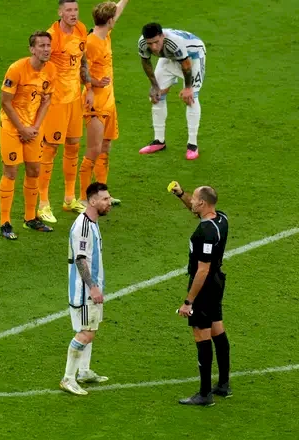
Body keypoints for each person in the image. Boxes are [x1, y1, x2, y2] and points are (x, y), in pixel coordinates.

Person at [170, 182, 231, 406]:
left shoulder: (204, 232)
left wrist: (189, 301)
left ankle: (205, 394)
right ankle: (224, 385)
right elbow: (198, 212)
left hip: (203, 285)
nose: (192, 201)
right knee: (217, 328)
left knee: (201, 335)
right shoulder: (221, 218)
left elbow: (202, 270)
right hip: (217, 281)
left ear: (203, 203)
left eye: (194, 198)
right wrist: (180, 195)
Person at [36, 0, 95, 224]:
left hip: (75, 99)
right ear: (60, 12)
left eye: (75, 10)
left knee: (73, 145)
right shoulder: (53, 37)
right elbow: (41, 67)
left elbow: (83, 61)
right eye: (68, 10)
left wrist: (88, 88)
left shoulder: (80, 29)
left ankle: (69, 198)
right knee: (50, 149)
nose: (73, 14)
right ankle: (43, 203)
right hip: (56, 102)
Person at [0, 31, 57, 240]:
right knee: (11, 172)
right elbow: (5, 102)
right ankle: (5, 222)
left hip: (33, 128)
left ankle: (30, 218)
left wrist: (35, 127)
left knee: (34, 170)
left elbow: (46, 101)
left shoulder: (51, 70)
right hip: (12, 128)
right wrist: (22, 129)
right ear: (32, 49)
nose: (46, 49)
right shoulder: (17, 69)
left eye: (48, 45)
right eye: (41, 46)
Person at [60, 182, 111, 395]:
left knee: (92, 328)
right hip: (83, 291)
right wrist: (92, 287)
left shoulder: (92, 222)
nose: (110, 203)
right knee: (85, 333)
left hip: (91, 287)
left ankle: (84, 371)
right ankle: (68, 378)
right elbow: (80, 260)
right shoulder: (82, 226)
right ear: (92, 201)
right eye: (105, 199)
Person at [79, 0, 129, 207]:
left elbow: (116, 11)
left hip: (109, 101)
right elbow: (81, 68)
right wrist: (93, 85)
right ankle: (83, 197)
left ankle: (103, 194)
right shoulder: (91, 42)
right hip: (95, 102)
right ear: (109, 21)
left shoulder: (104, 33)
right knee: (93, 150)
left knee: (106, 147)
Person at [138, 24, 206, 160]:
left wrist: (188, 88)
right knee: (156, 96)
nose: (154, 47)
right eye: (150, 44)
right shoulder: (142, 43)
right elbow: (146, 62)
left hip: (193, 57)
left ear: (162, 36)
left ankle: (192, 145)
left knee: (191, 97)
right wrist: (155, 86)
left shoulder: (174, 42)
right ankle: (159, 141)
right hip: (169, 56)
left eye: (157, 42)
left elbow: (186, 66)